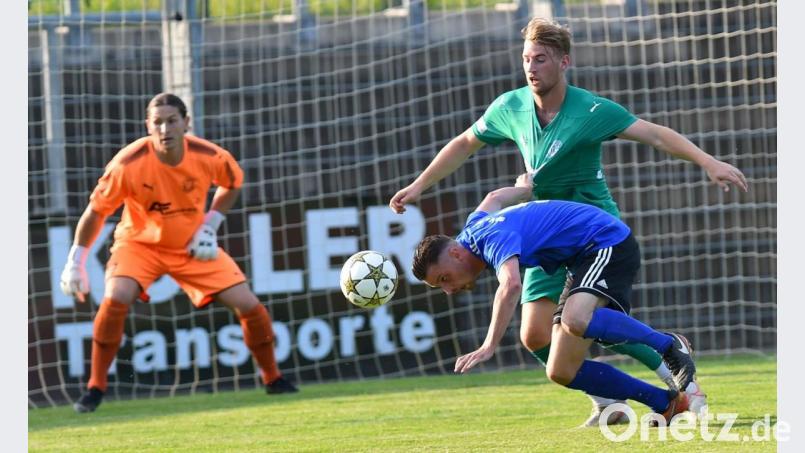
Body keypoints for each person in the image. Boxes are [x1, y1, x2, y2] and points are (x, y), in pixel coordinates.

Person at [391, 16, 745, 425]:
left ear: (564, 62)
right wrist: (419, 185)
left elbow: (654, 134)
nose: (531, 67)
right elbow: (464, 143)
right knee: (535, 335)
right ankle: (610, 401)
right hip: (541, 239)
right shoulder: (510, 106)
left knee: (581, 319)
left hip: (591, 229)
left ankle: (672, 367)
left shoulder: (590, 109)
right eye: (526, 58)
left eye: (540, 59)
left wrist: (707, 161)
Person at [59, 93, 298, 413]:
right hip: (139, 245)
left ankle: (273, 379)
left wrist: (210, 226)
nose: (164, 129)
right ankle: (95, 387)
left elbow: (232, 183)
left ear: (186, 122)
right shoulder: (127, 163)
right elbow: (96, 211)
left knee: (250, 306)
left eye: (171, 121)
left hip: (190, 247)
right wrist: (75, 262)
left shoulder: (208, 155)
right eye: (157, 122)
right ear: (147, 126)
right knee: (115, 298)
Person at [412, 176, 698, 424]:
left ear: (456, 254)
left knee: (576, 319)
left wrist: (488, 346)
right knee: (561, 370)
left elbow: (511, 284)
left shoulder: (491, 240)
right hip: (580, 260)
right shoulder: (473, 228)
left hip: (605, 242)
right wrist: (524, 189)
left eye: (444, 278)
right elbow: (493, 197)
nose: (448, 289)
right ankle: (665, 403)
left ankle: (668, 345)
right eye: (440, 286)